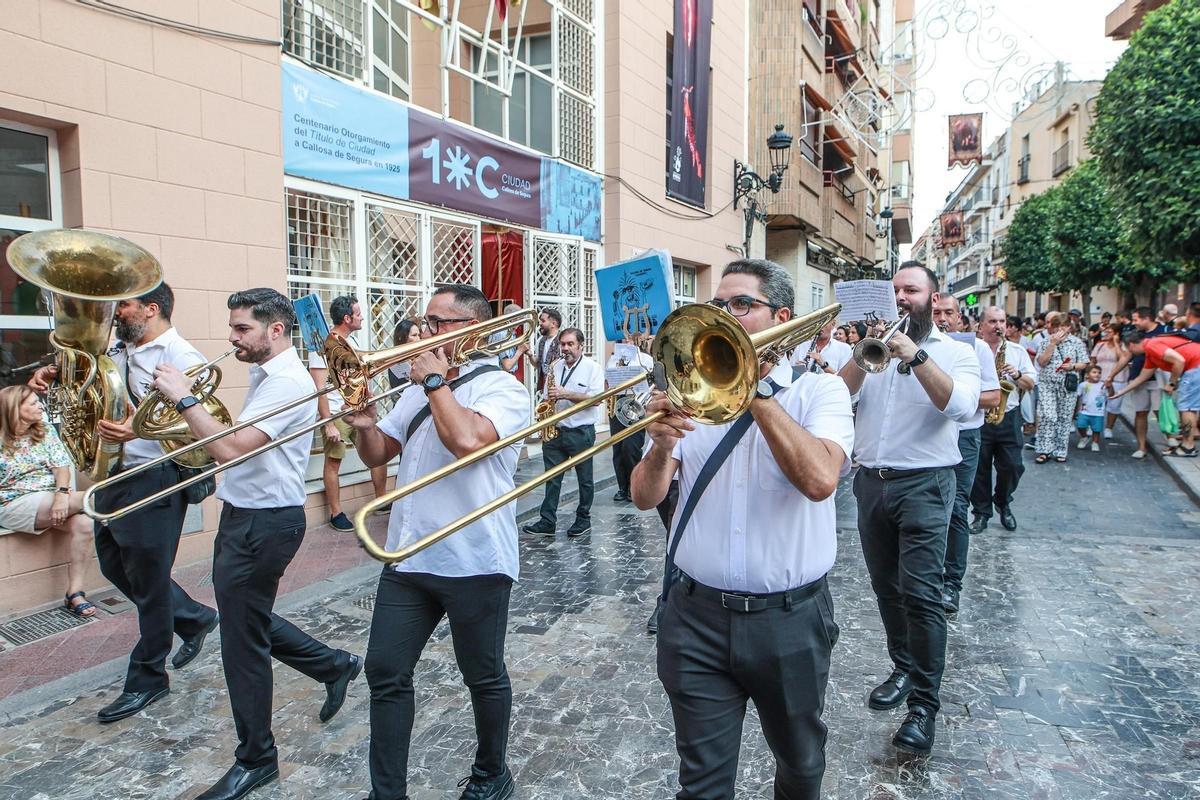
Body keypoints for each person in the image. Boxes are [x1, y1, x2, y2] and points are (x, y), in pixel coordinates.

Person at [631, 258, 854, 800]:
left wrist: (753, 390)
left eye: (740, 305)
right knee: (701, 784)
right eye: (718, 304)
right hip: (696, 616)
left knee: (800, 766)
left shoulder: (818, 393)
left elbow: (821, 479)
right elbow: (644, 496)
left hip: (790, 620)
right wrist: (660, 446)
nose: (724, 314)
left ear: (780, 317)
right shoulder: (689, 393)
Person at [150, 288, 362, 800]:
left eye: (242, 328)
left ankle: (257, 759)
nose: (231, 337)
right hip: (247, 517)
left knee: (241, 642)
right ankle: (334, 665)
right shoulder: (270, 375)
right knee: (249, 618)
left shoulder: (287, 381)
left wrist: (184, 397)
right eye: (233, 327)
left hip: (264, 525)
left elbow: (230, 448)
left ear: (276, 331)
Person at [345, 284, 529, 800]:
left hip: (474, 558)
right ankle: (388, 793)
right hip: (408, 554)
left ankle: (493, 772)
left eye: (435, 323)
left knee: (483, 675)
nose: (423, 332)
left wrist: (431, 379)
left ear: (470, 328)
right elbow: (380, 452)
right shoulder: (418, 388)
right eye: (423, 321)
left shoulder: (505, 389)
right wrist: (361, 423)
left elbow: (467, 441)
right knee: (384, 670)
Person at [33, 284, 221, 723]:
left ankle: (149, 678)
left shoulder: (183, 357)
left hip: (155, 479)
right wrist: (52, 375)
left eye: (126, 305)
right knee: (117, 568)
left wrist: (140, 430)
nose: (116, 312)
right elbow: (86, 385)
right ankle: (192, 618)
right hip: (113, 475)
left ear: (151, 309)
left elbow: (203, 429)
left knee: (150, 583)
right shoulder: (116, 348)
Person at [838, 262, 980, 755]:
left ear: (931, 297)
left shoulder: (957, 352)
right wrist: (864, 350)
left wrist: (914, 355)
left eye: (911, 290)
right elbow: (840, 392)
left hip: (925, 484)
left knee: (922, 595)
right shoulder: (872, 347)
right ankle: (903, 665)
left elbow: (961, 408)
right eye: (894, 289)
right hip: (872, 483)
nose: (901, 298)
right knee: (887, 589)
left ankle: (923, 705)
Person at [0, 386, 96, 618]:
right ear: (14, 409)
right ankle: (129, 502)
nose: (41, 406)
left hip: (52, 498)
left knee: (85, 524)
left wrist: (61, 495)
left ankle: (75, 593)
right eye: (33, 403)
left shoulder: (43, 430)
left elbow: (60, 465)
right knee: (95, 497)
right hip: (14, 502)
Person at [931, 297, 1001, 617]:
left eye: (949, 313)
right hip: (929, 436)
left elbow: (993, 396)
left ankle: (951, 583)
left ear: (960, 319)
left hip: (964, 435)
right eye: (936, 313)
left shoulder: (977, 348)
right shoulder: (920, 346)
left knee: (957, 506)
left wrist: (954, 398)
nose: (943, 318)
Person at [308, 295, 389, 531]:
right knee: (334, 462)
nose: (362, 316)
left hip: (359, 410)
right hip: (337, 414)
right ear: (347, 318)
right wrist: (328, 424)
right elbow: (319, 388)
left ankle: (381, 499)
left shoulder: (351, 343)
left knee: (379, 453)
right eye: (358, 313)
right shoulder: (323, 345)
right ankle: (336, 513)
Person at [523, 328, 605, 538]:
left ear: (581, 346)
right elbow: (548, 394)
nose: (565, 348)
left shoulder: (592, 368)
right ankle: (547, 520)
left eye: (570, 344)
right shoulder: (555, 366)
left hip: (580, 431)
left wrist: (565, 393)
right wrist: (546, 404)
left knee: (584, 479)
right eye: (563, 344)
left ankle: (583, 519)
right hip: (556, 431)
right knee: (552, 478)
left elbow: (596, 399)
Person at [971, 308, 1037, 536]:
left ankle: (1002, 500)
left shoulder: (1017, 351)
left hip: (1008, 415)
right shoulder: (971, 349)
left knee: (1013, 465)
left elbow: (1030, 383)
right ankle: (981, 512)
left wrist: (1017, 375)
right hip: (979, 416)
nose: (998, 326)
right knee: (979, 468)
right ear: (981, 326)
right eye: (992, 321)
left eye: (1002, 321)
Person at [1112, 330, 1200, 457]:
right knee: (1187, 406)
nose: (1131, 354)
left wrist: (1171, 383)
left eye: (1129, 350)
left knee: (1187, 407)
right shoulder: (1151, 354)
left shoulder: (1152, 345)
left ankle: (1188, 447)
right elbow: (1142, 377)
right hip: (1195, 366)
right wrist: (1121, 392)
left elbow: (1179, 361)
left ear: (1131, 345)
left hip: (1195, 367)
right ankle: (1187, 445)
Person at [1105, 307, 1164, 459]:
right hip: (1138, 376)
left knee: (1160, 411)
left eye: (1136, 319)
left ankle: (1171, 440)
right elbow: (1126, 356)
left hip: (1158, 377)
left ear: (1147, 318)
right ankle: (1142, 447)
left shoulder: (1164, 331)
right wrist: (1111, 375)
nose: (1134, 322)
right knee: (1140, 412)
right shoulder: (1137, 334)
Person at [1033, 312, 1090, 464]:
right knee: (1048, 416)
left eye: (1063, 327)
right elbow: (1041, 362)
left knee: (1064, 418)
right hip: (1047, 384)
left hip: (1067, 385)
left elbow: (1084, 363)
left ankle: (1060, 450)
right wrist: (1052, 344)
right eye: (1057, 327)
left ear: (1068, 328)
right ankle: (1044, 449)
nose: (1060, 330)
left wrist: (1072, 366)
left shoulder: (1076, 343)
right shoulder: (1046, 342)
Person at [606, 336, 654, 502]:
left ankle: (634, 487)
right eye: (623, 340)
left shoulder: (645, 359)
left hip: (635, 403)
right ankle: (622, 487)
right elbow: (608, 383)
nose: (626, 343)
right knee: (618, 449)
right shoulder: (613, 359)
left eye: (629, 340)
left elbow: (653, 382)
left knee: (631, 448)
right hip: (618, 403)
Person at [1090, 323, 1128, 440]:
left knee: (1114, 405)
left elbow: (1122, 358)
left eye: (1109, 332)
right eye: (1105, 331)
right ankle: (1093, 426)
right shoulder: (1100, 345)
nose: (1106, 334)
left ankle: (1109, 428)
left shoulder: (1124, 345)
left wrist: (1116, 343)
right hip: (1100, 377)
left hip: (1118, 378)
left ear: (1116, 334)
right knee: (1096, 403)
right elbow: (1093, 360)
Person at [1075, 365, 1108, 452]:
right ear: (1087, 375)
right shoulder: (1083, 385)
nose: (1097, 374)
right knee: (1080, 425)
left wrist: (1110, 386)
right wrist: (1075, 409)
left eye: (1099, 373)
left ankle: (1095, 442)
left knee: (1096, 429)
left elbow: (1110, 394)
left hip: (1098, 412)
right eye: (1094, 372)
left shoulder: (1103, 385)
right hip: (1084, 411)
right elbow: (1077, 396)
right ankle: (1084, 437)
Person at [532, 308, 562, 393]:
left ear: (553, 324)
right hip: (546, 386)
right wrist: (530, 355)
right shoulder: (540, 341)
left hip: (559, 387)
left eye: (543, 321)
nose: (540, 323)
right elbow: (538, 364)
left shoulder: (563, 341)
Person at [497, 302, 530, 375]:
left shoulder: (511, 333)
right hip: (503, 376)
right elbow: (507, 366)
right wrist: (520, 350)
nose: (521, 323)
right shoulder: (503, 334)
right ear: (513, 318)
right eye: (520, 319)